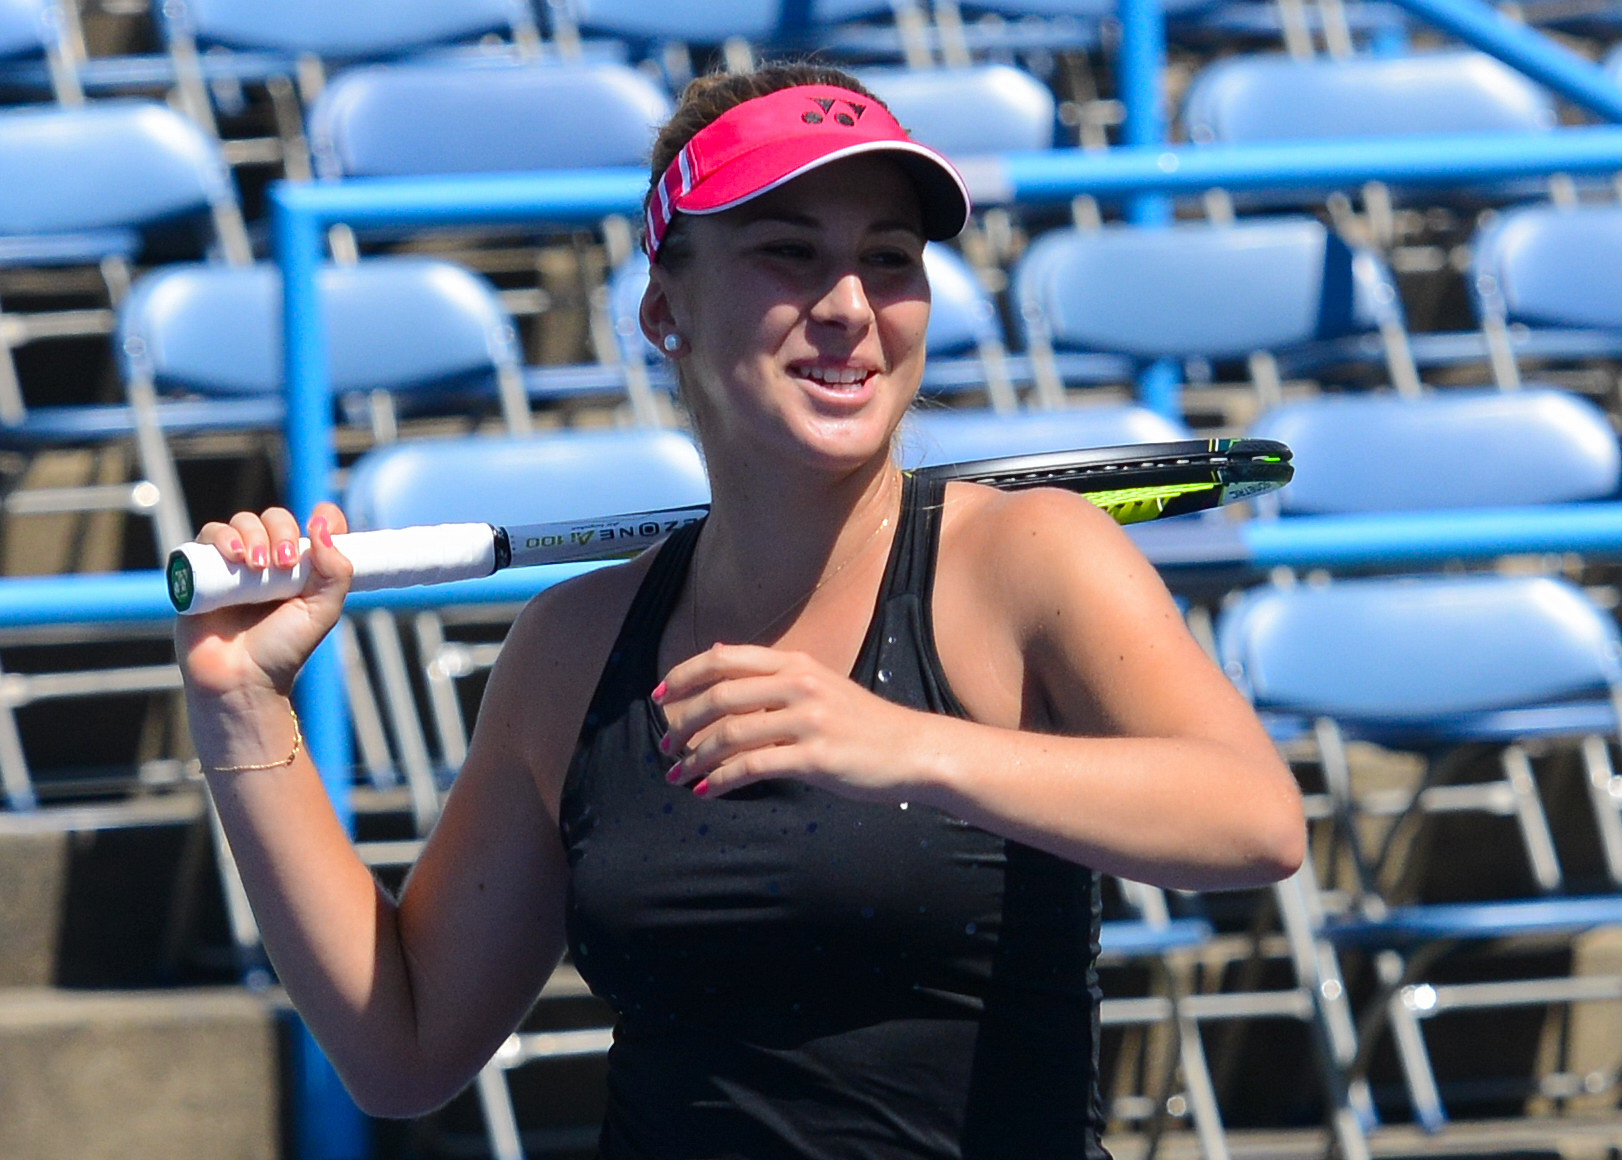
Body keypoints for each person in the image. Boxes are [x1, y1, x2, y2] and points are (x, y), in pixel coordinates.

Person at [175, 62, 1305, 1160]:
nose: (850, 306)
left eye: (889, 258)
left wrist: (905, 745)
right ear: (666, 310)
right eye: (787, 253)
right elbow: (404, 1049)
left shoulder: (1030, 558)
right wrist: (242, 707)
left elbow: (1254, 819)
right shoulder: (572, 645)